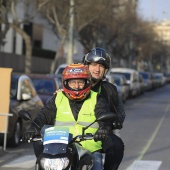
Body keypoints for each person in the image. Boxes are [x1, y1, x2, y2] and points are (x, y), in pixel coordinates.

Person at [22, 63, 116, 170]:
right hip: (60, 149)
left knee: (97, 167)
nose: (76, 86)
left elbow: (103, 114)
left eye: (80, 82)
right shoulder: (58, 98)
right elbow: (44, 114)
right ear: (66, 83)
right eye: (73, 82)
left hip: (89, 149)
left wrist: (103, 129)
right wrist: (34, 127)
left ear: (87, 83)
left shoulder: (96, 98)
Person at [82, 47, 126, 170]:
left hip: (100, 133)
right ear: (86, 65)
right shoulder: (73, 83)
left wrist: (115, 121)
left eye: (101, 66)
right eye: (94, 64)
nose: (97, 69)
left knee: (117, 146)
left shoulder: (110, 89)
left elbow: (120, 112)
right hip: (71, 132)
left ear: (105, 70)